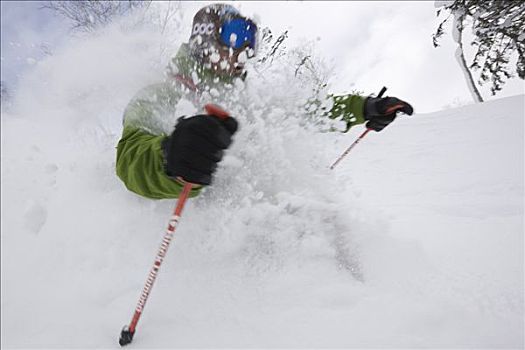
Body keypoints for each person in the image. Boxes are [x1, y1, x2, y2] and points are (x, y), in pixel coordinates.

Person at [116, 3, 413, 199]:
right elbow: (129, 159)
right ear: (204, 39)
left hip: (256, 227)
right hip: (197, 242)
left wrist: (362, 108)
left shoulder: (247, 102)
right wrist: (169, 159)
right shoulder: (162, 94)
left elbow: (306, 112)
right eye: (236, 35)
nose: (244, 49)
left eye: (251, 40)